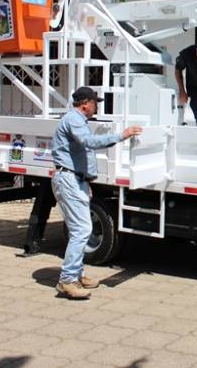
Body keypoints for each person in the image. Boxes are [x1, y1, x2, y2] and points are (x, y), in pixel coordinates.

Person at [51, 86, 142, 299]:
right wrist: (122, 135)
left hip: (76, 179)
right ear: (85, 103)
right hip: (70, 180)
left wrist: (85, 181)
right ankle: (67, 280)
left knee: (80, 230)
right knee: (82, 230)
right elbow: (89, 143)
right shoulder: (74, 120)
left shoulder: (78, 120)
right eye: (95, 102)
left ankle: (77, 273)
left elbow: (80, 153)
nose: (97, 105)